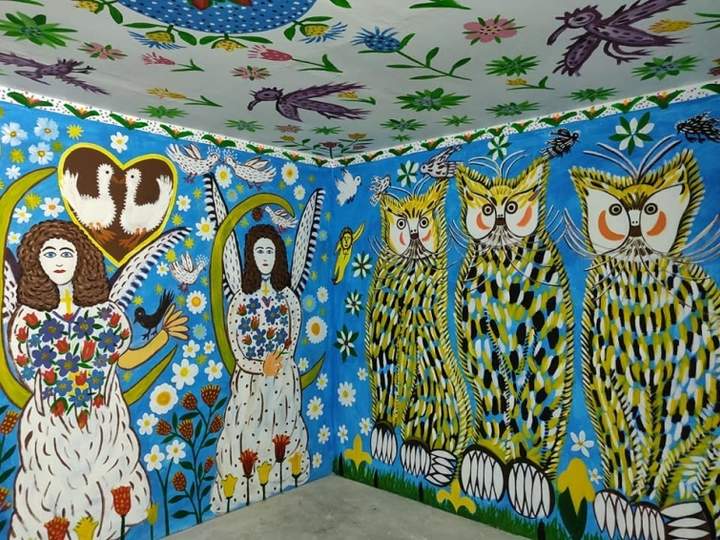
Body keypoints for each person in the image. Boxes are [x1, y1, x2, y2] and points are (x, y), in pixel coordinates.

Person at [7, 220, 187, 540]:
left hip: (104, 423)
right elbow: (28, 376)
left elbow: (124, 359)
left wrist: (162, 338)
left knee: (108, 489)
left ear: (81, 259)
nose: (59, 261)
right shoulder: (29, 319)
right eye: (50, 253)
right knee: (56, 492)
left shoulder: (104, 313)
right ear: (36, 261)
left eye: (67, 253)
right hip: (53, 427)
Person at [211, 224, 309, 511]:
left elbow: (292, 340)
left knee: (281, 431)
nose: (265, 256)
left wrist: (277, 364)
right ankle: (242, 490)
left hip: (282, 380)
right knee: (247, 435)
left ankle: (282, 478)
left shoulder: (288, 298)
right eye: (259, 251)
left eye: (270, 251)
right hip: (250, 383)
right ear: (250, 256)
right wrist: (259, 367)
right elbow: (237, 350)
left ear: (278, 256)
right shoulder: (241, 300)